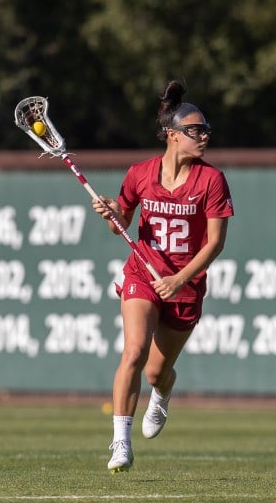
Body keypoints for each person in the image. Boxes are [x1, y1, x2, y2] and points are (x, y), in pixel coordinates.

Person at [92, 80, 234, 474]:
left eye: (206, 130)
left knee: (156, 371)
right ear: (172, 136)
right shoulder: (140, 173)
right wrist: (112, 214)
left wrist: (179, 279)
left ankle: (163, 394)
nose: (204, 136)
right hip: (142, 273)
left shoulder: (211, 181)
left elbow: (215, 244)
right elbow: (120, 222)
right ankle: (121, 442)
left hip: (184, 286)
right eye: (195, 131)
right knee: (134, 351)